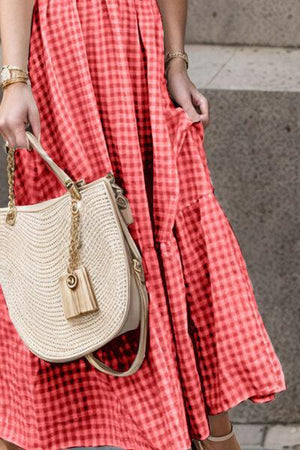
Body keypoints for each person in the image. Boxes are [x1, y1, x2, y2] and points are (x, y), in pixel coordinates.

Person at [0, 1, 286, 449]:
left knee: (164, 228)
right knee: (71, 245)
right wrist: (14, 78)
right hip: (66, 52)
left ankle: (209, 431)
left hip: (140, 49)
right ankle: (30, 429)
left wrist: (176, 61)